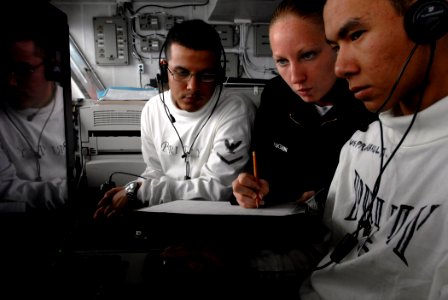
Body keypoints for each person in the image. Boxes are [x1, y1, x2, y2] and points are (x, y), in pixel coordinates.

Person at [299, 0, 448, 299]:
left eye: (355, 35)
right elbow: (330, 253)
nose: (340, 68)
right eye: (336, 46)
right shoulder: (360, 143)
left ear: (428, 21)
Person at [94, 19, 256, 219]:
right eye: (181, 73)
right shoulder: (152, 110)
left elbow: (218, 189)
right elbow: (155, 171)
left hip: (213, 222)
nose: (192, 87)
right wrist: (133, 189)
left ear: (219, 74)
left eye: (206, 75)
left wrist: (141, 192)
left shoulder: (236, 109)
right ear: (165, 70)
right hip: (165, 214)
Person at [232, 0, 375, 209]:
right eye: (282, 61)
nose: (296, 77)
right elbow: (262, 174)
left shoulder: (370, 101)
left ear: (337, 48)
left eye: (308, 55)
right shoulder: (276, 95)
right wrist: (248, 190)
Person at [0, 20, 67, 213]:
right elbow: (5, 189)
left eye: (22, 71)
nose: (11, 81)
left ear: (51, 67)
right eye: (6, 70)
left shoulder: (72, 109)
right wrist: (64, 193)